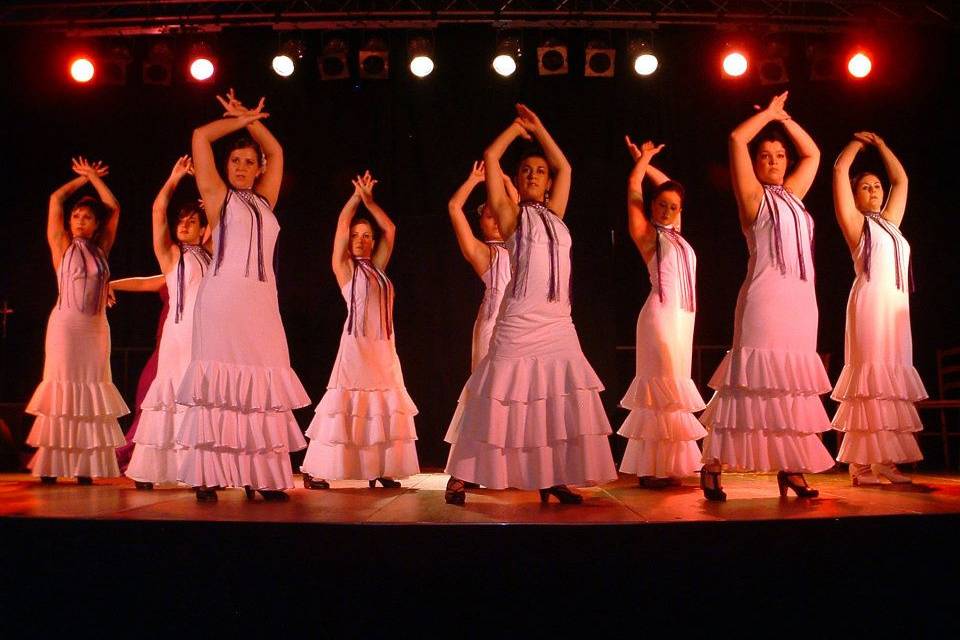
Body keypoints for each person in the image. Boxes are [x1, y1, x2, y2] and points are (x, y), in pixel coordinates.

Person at [444, 104, 618, 505]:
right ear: (517, 180)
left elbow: (567, 168)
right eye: (526, 171)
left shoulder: (557, 214)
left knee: (555, 398)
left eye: (540, 171)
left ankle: (552, 476)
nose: (534, 176)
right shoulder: (511, 215)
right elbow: (490, 157)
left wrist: (540, 130)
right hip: (519, 320)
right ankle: (461, 474)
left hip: (558, 321)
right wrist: (515, 129)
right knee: (496, 397)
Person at [699, 92, 834, 501]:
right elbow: (737, 139)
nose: (774, 160)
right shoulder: (754, 197)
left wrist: (785, 122)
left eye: (779, 155)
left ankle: (791, 467)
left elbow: (813, 154)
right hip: (765, 300)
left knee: (791, 385)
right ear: (756, 164)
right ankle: (713, 464)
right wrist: (768, 116)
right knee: (748, 382)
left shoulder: (794, 194)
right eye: (767, 156)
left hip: (801, 302)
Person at [176, 90, 309, 502]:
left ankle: (261, 476)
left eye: (249, 162)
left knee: (261, 387)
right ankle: (207, 474)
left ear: (258, 169)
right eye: (235, 160)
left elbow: (277, 148)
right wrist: (237, 119)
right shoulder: (218, 197)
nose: (241, 166)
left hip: (261, 303)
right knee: (219, 384)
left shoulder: (266, 199)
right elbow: (200, 136)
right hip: (221, 301)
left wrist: (251, 119)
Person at [300, 172, 419, 489]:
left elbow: (390, 229)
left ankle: (379, 468)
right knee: (345, 407)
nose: (361, 240)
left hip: (383, 349)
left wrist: (370, 202)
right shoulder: (345, 269)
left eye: (367, 235)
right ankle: (315, 470)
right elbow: (341, 228)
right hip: (356, 349)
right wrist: (355, 199)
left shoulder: (378, 268)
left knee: (380, 409)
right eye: (357, 235)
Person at [831, 132, 926, 485]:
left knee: (890, 380)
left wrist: (883, 147)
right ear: (855, 197)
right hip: (870, 306)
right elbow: (840, 170)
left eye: (876, 187)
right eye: (866, 188)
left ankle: (883, 461)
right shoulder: (857, 224)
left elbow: (901, 179)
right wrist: (856, 144)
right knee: (871, 380)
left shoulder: (891, 224)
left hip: (895, 311)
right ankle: (860, 464)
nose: (874, 191)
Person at [26, 157, 128, 483]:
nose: (80, 220)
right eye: (76, 216)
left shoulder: (102, 248)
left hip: (96, 328)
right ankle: (53, 467)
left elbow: (113, 206)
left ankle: (86, 468)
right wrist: (82, 179)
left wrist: (96, 180)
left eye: (87, 217)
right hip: (66, 327)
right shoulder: (61, 244)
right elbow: (56, 199)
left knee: (91, 394)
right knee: (63, 391)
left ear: (96, 224)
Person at [618, 137, 706, 487]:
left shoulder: (678, 234)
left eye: (673, 207)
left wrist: (646, 159)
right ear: (652, 208)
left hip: (683, 320)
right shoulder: (648, 234)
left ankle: (669, 466)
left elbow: (667, 184)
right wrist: (642, 162)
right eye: (662, 205)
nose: (667, 211)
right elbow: (633, 187)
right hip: (659, 317)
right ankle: (650, 468)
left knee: (674, 392)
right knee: (660, 392)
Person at [126, 156, 213, 489]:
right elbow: (158, 211)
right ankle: (150, 469)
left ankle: (197, 472)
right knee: (170, 395)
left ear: (204, 229)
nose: (186, 225)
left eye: (194, 221)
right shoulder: (171, 254)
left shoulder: (211, 254)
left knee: (197, 400)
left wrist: (214, 206)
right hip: (177, 337)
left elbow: (224, 226)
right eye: (183, 221)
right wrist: (174, 178)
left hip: (203, 337)